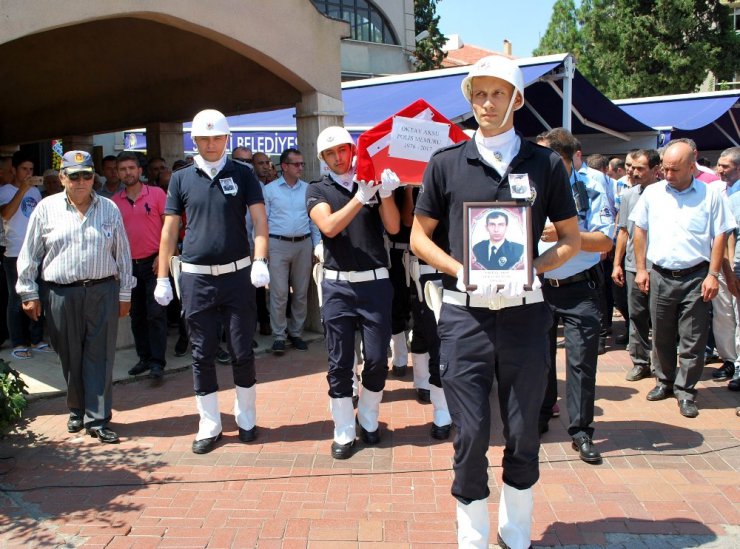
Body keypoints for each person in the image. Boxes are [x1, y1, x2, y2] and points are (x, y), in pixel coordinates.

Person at [411, 56, 580, 549]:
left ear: (517, 100)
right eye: (478, 94)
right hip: (465, 316)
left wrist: (534, 266)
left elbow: (569, 239)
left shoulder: (546, 163)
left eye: (497, 94)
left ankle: (516, 532)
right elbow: (420, 238)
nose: (486, 103)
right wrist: (458, 268)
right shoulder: (446, 163)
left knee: (526, 432)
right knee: (468, 436)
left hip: (527, 314)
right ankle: (472, 537)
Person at [155, 109, 269, 454]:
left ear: (226, 139)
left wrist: (260, 259)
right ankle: (209, 424)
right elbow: (170, 230)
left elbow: (260, 223)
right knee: (201, 353)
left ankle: (246, 418)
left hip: (237, 276)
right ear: (195, 141)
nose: (210, 144)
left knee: (241, 348)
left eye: (216, 137)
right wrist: (162, 277)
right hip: (195, 279)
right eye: (203, 138)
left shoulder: (244, 174)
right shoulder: (181, 178)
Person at [16, 150, 135, 444]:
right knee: (70, 355)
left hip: (102, 290)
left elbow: (123, 255)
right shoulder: (45, 209)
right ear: (62, 178)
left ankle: (98, 419)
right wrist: (28, 292)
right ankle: (76, 409)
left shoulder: (109, 208)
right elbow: (30, 253)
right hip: (61, 293)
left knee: (100, 356)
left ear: (94, 177)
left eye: (87, 175)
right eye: (74, 176)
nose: (81, 182)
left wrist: (125, 293)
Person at [306, 126, 400, 460]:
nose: (337, 158)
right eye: (330, 154)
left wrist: (385, 194)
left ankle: (369, 417)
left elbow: (393, 227)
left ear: (352, 150)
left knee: (376, 358)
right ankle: (344, 429)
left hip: (375, 282)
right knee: (340, 360)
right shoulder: (317, 189)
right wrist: (361, 197)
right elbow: (329, 226)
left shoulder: (371, 181)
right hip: (337, 285)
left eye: (342, 150)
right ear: (323, 158)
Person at [631, 139, 735, 418]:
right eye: (665, 169)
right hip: (661, 274)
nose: (667, 174)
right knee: (662, 335)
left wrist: (713, 275)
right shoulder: (653, 194)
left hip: (696, 276)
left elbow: (720, 235)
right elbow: (639, 230)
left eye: (675, 170)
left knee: (692, 338)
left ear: (692, 166)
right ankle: (664, 382)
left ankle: (686, 390)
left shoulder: (711, 195)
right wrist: (641, 269)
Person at [111, 152, 168, 381]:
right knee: (137, 315)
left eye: (131, 168)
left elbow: (170, 228)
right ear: (118, 173)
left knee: (156, 314)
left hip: (155, 262)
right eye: (123, 169)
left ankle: (157, 362)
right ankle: (143, 358)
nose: (128, 172)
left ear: (140, 171)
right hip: (128, 266)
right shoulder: (114, 202)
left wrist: (163, 257)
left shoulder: (156, 194)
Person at [262, 147, 319, 355]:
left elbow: (314, 220)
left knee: (302, 292)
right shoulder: (269, 190)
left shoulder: (308, 189)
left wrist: (316, 244)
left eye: (302, 164)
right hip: (277, 244)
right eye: (296, 164)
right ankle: (279, 335)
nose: (300, 167)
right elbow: (262, 222)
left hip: (303, 243)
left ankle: (296, 333)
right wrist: (263, 249)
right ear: (284, 166)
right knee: (278, 293)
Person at [612, 149, 660, 382]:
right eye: (632, 168)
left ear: (655, 170)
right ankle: (640, 362)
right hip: (632, 266)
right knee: (636, 316)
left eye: (640, 168)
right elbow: (623, 231)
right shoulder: (629, 195)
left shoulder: (665, 194)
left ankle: (663, 369)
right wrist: (617, 263)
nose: (633, 172)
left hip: (659, 267)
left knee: (661, 320)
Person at [0, 151, 47, 360]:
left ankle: (36, 339)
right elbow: (6, 214)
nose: (28, 173)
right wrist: (23, 190)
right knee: (16, 298)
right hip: (14, 252)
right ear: (14, 170)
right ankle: (18, 341)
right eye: (24, 169)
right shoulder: (5, 191)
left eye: (31, 170)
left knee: (38, 295)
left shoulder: (36, 193)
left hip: (35, 251)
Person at [710, 146, 740, 383]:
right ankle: (730, 360)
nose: (719, 170)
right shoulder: (717, 191)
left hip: (737, 265)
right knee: (723, 314)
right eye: (719, 165)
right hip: (721, 264)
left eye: (725, 166)